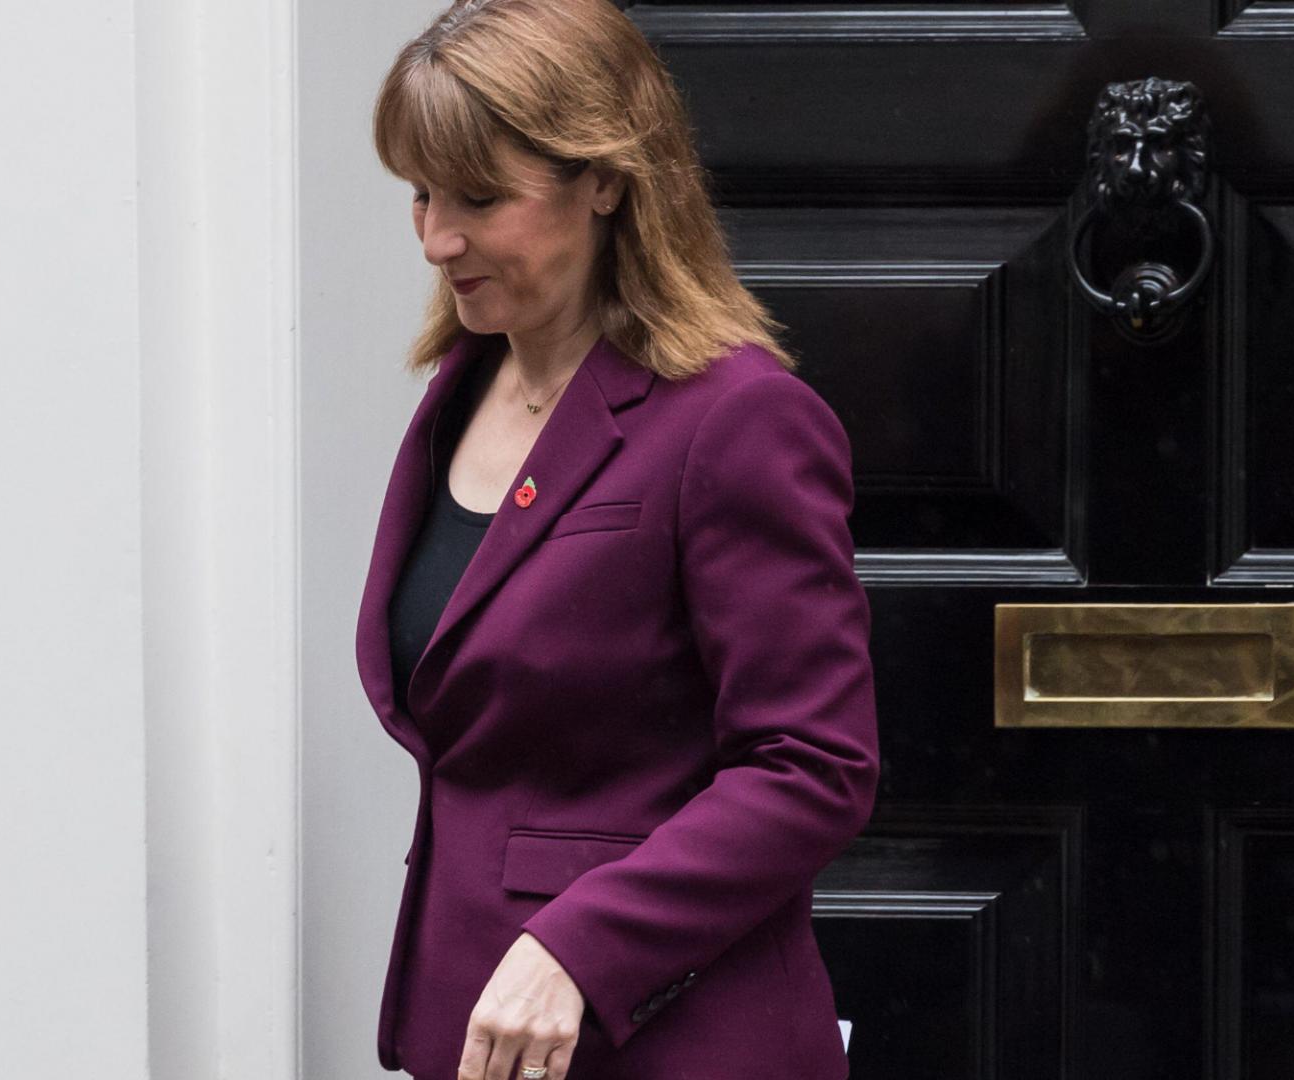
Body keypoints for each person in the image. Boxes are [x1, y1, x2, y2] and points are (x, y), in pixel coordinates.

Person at [352, 2, 879, 1078]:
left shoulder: (736, 418)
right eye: (420, 193)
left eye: (480, 197)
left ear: (604, 179)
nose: (437, 239)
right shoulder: (462, 388)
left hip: (678, 1038)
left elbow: (812, 767)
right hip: (479, 1030)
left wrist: (580, 949)